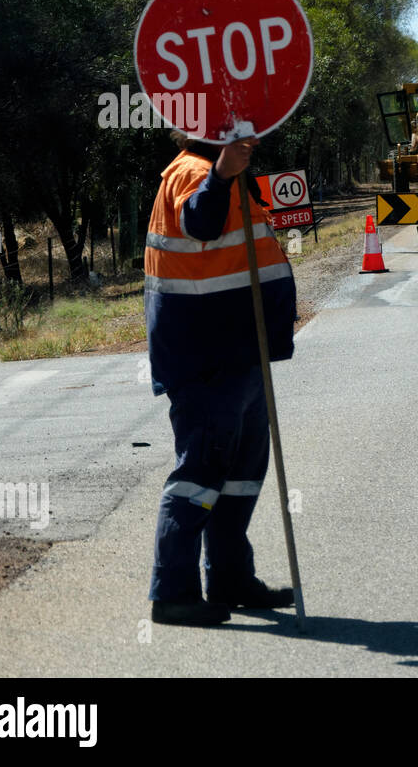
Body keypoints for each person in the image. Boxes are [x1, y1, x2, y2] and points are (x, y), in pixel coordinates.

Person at [144, 130, 297, 626]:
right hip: (206, 359)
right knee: (200, 476)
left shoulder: (226, 173)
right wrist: (221, 174)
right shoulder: (193, 173)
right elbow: (201, 224)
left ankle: (230, 578)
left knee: (241, 475)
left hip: (240, 353)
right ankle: (173, 593)